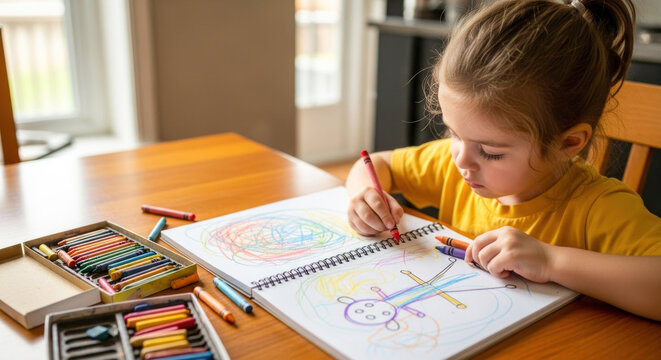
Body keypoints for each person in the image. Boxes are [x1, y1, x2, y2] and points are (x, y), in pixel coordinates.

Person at [345, 0, 661, 320]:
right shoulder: (451, 163)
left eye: (491, 151)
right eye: (453, 133)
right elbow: (374, 165)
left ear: (568, 143)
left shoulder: (598, 207)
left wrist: (550, 261)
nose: (462, 159)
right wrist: (365, 195)